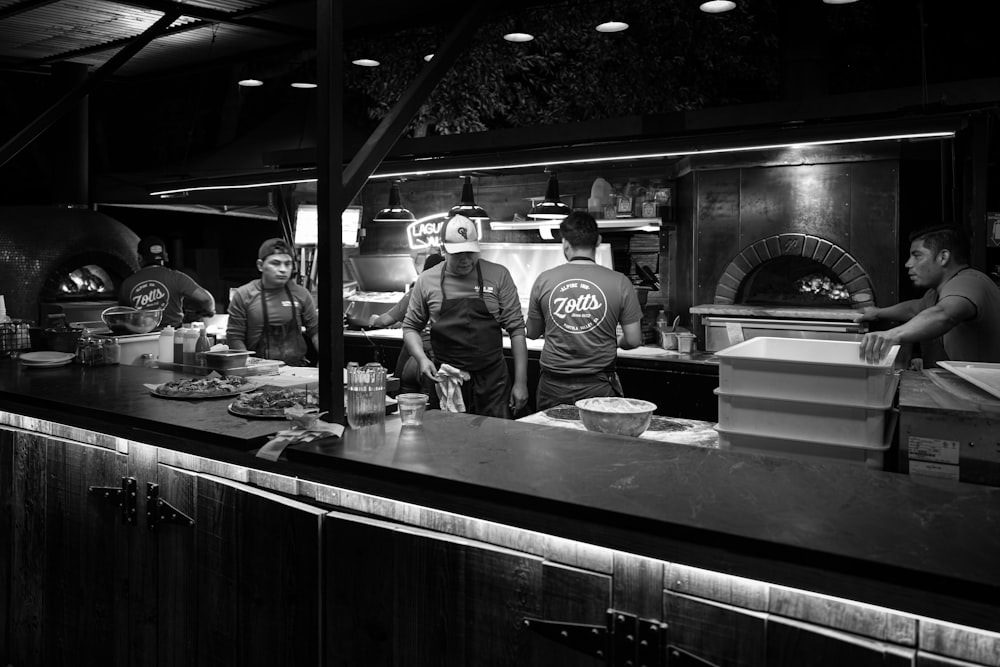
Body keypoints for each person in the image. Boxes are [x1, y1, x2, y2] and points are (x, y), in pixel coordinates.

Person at [401, 214, 529, 418]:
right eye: (458, 253)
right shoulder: (426, 280)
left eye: (471, 252)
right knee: (447, 443)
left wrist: (521, 383)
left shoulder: (498, 275)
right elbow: (410, 328)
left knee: (494, 445)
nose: (465, 259)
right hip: (446, 379)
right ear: (443, 249)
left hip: (492, 380)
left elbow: (517, 329)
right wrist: (422, 359)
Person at [526, 211, 644, 411]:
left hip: (553, 386)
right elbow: (633, 340)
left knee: (551, 440)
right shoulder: (620, 282)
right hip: (599, 385)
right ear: (598, 240)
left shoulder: (544, 280)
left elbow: (532, 332)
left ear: (564, 243)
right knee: (596, 441)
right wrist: (616, 342)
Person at [858, 225, 1000, 365]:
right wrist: (877, 313)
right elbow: (914, 308)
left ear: (943, 257)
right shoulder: (935, 294)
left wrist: (891, 335)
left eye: (917, 256)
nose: (908, 264)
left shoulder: (969, 282)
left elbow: (944, 314)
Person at [226, 237, 319, 366]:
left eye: (288, 264)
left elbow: (315, 331)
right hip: (258, 370)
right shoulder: (244, 295)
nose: (283, 269)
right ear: (260, 265)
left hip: (297, 370)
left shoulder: (301, 294)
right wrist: (248, 364)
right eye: (275, 263)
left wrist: (328, 360)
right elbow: (234, 337)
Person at [369, 253, 446, 395]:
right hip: (436, 360)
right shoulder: (449, 294)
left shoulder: (417, 291)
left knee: (403, 401)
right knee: (429, 405)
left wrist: (373, 320)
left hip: (412, 357)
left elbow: (385, 320)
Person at [119, 236, 215, 328]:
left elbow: (122, 317)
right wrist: (208, 312)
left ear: (139, 257)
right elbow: (206, 299)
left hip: (142, 338)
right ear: (165, 256)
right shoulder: (176, 277)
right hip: (173, 336)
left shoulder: (127, 284)